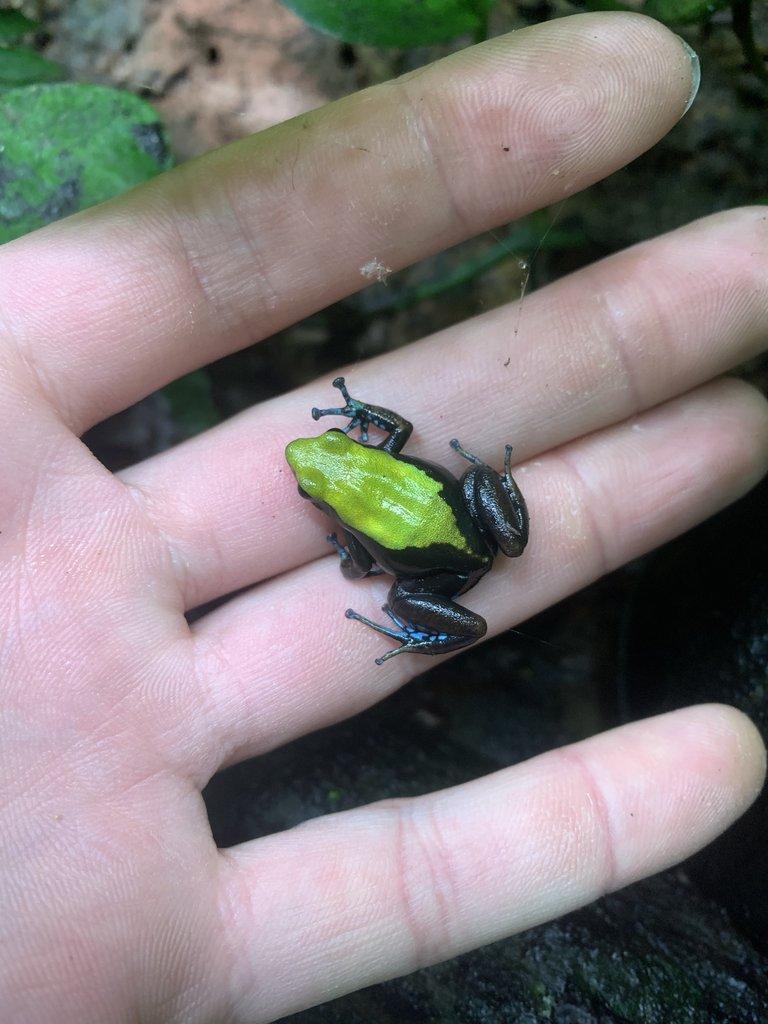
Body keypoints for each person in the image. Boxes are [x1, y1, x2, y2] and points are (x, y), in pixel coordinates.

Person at [0, 12, 765, 1023]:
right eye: (324, 473)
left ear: (346, 467)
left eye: (327, 466)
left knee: (409, 578)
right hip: (459, 518)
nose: (317, 469)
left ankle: (416, 605)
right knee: (449, 523)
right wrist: (358, 446)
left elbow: (363, 568)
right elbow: (391, 441)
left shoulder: (354, 490)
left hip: (445, 564)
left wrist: (352, 523)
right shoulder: (373, 451)